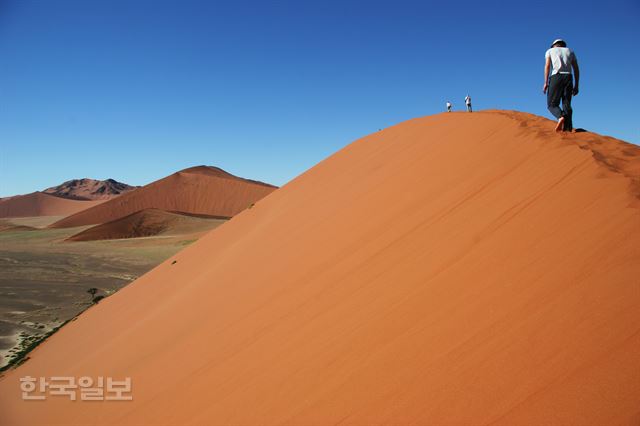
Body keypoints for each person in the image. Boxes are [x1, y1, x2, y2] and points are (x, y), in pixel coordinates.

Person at [543, 38, 580, 132]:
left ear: (554, 45)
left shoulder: (550, 51)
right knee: (566, 104)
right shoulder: (570, 51)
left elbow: (547, 66)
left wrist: (546, 82)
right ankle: (567, 129)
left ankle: (560, 117)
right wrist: (576, 85)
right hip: (568, 77)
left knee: (551, 104)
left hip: (556, 76)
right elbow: (576, 68)